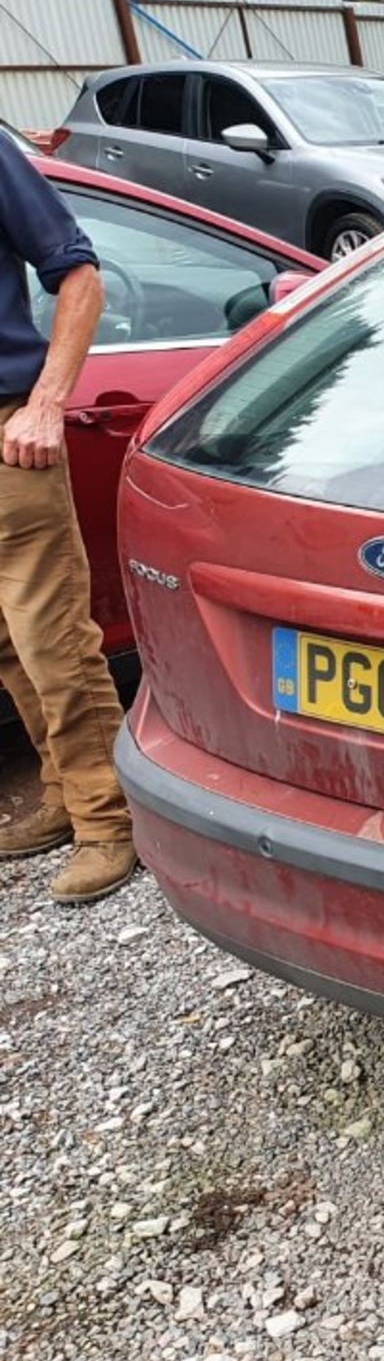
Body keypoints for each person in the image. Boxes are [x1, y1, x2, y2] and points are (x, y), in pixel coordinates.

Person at [0, 140, 136, 903]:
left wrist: (47, 403)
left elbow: (78, 275)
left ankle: (108, 821)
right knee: (7, 644)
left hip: (7, 438)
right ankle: (62, 793)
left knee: (52, 640)